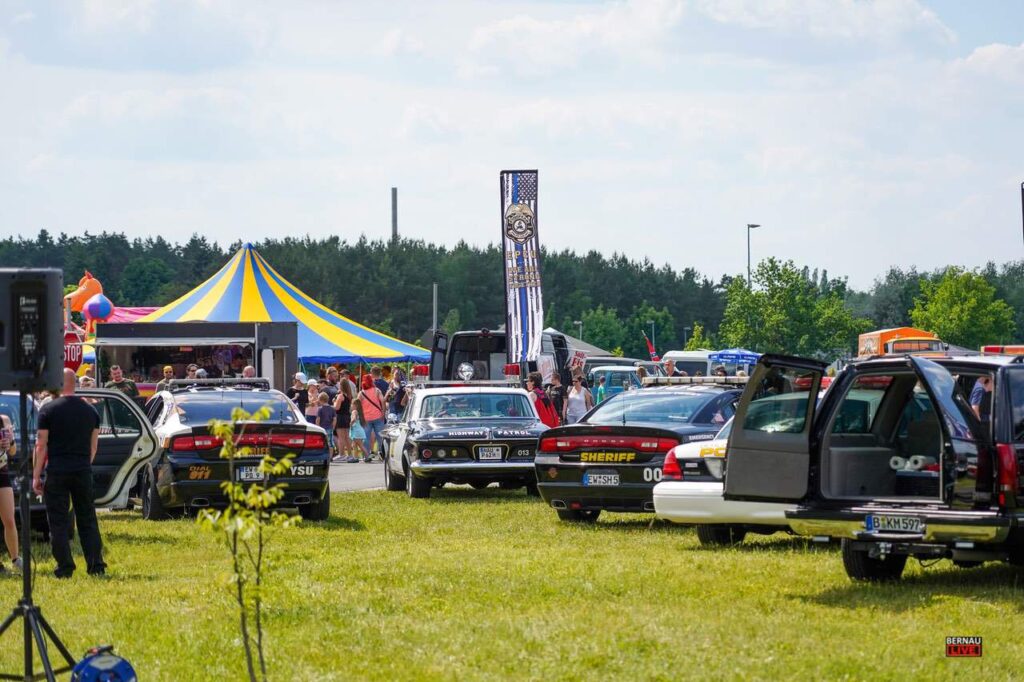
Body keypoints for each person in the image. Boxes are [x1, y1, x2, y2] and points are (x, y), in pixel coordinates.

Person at [33, 368, 105, 578]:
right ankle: (96, 565)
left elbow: (41, 445)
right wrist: (84, 464)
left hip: (57, 471)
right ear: (76, 383)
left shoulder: (48, 410)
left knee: (58, 521)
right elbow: (93, 447)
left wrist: (37, 476)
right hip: (82, 471)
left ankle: (64, 567)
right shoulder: (91, 411)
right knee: (88, 519)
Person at [0, 415, 22, 574]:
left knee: (9, 518)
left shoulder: (4, 420)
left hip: (2, 471)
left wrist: (10, 443)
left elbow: (13, 451)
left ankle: (15, 559)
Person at [359, 374, 387, 460]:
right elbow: (383, 401)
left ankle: (366, 456)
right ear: (372, 381)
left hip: (366, 418)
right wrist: (383, 412)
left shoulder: (361, 393)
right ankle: (383, 455)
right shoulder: (377, 390)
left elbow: (357, 405)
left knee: (366, 438)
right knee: (380, 437)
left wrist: (360, 416)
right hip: (378, 416)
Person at [333, 379, 354, 462]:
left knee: (340, 437)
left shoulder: (340, 396)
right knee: (347, 437)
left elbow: (336, 407)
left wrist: (332, 404)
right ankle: (350, 454)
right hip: (346, 416)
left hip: (340, 417)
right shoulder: (349, 395)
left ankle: (341, 454)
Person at [349, 396, 370, 462]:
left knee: (360, 445)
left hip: (356, 431)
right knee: (354, 444)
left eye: (352, 404)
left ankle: (366, 456)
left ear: (355, 405)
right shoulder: (359, 412)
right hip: (359, 430)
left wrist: (351, 423)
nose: (351, 405)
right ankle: (356, 457)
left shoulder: (354, 411)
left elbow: (354, 419)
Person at [316, 393, 337, 457]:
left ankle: (322, 456)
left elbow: (318, 419)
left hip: (322, 428)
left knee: (321, 442)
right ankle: (330, 457)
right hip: (329, 427)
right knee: (330, 443)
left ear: (320, 400)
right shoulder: (332, 408)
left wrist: (317, 426)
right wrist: (333, 427)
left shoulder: (320, 409)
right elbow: (334, 419)